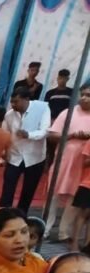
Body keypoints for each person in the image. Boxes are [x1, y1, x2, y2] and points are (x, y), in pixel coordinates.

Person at [47, 81, 90, 245]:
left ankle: (63, 233)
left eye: (88, 96)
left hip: (84, 166)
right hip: (63, 162)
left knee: (74, 199)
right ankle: (45, 228)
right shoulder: (68, 113)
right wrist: (72, 136)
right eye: (83, 94)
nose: (84, 98)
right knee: (53, 195)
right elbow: (52, 136)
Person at [0, 86, 50, 215]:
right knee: (7, 189)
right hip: (14, 156)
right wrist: (2, 153)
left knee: (28, 191)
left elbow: (45, 131)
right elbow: (4, 134)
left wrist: (29, 135)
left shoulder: (42, 109)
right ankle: (2, 215)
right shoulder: (9, 115)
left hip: (35, 158)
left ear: (26, 99)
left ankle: (21, 215)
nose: (13, 105)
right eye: (12, 102)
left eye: (16, 102)